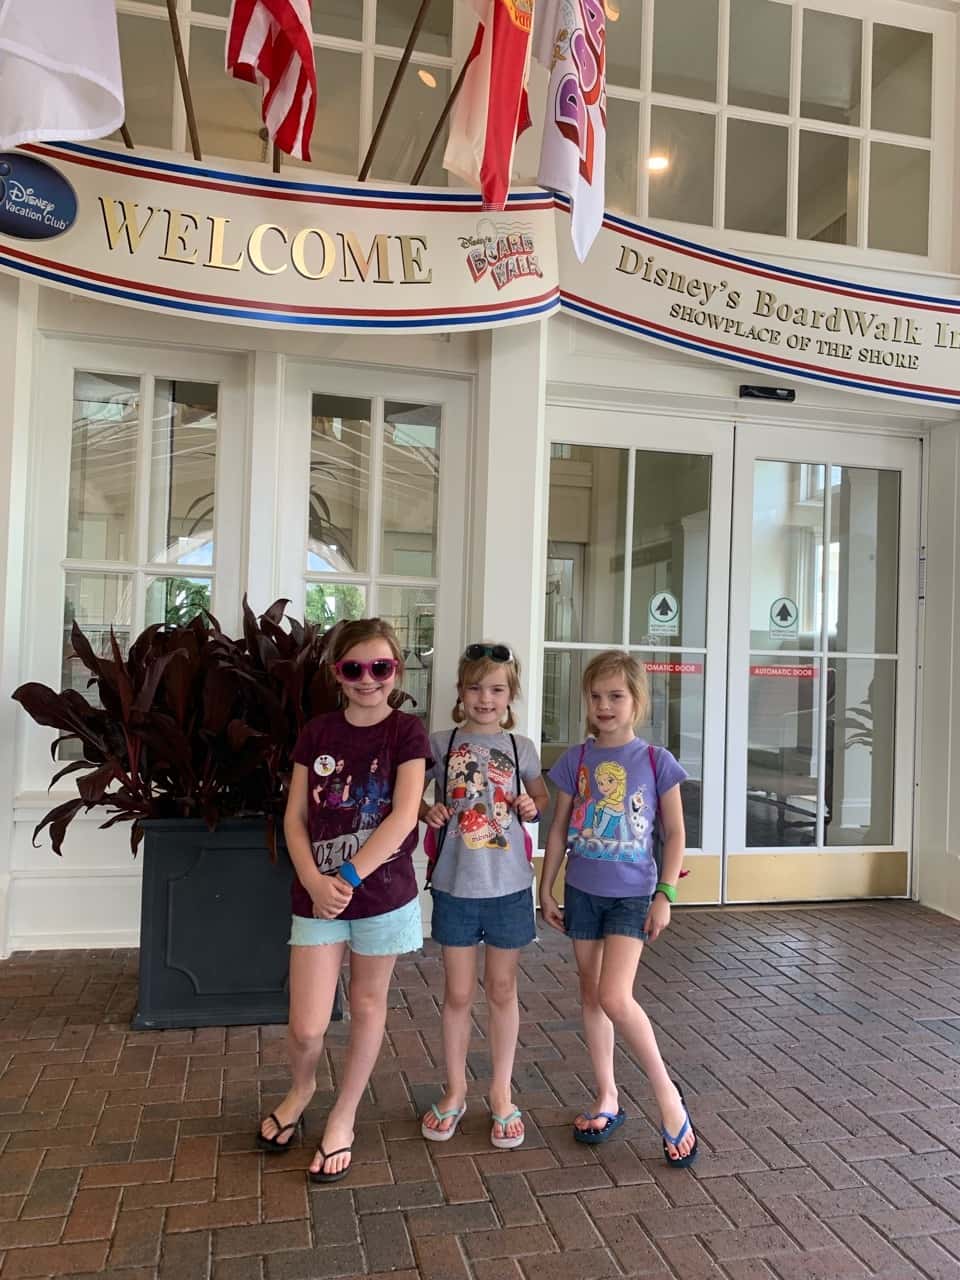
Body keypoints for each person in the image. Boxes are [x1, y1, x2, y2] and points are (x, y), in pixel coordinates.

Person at [256, 618, 431, 1185]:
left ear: (396, 670)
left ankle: (344, 1114)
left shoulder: (407, 732)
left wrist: (349, 875)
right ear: (337, 673)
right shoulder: (317, 733)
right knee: (306, 1028)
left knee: (367, 1004)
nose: (368, 679)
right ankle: (302, 1086)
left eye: (381, 667)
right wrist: (313, 878)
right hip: (317, 899)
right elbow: (295, 817)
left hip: (383, 895)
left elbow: (405, 814)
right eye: (354, 668)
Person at [539, 650, 698, 1168]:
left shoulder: (655, 761)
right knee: (591, 994)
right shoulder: (576, 760)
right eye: (595, 696)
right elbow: (559, 830)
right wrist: (546, 888)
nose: (604, 705)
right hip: (583, 892)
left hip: (632, 895)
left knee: (614, 995)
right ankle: (607, 1095)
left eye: (616, 696)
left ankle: (667, 1096)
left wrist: (665, 894)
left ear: (636, 702)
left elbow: (675, 834)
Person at [419, 642, 549, 1149]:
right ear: (460, 692)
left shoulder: (521, 748)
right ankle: (454, 1090)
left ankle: (500, 1091)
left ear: (510, 695)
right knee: (457, 994)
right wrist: (424, 811)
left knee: (501, 990)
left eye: (496, 689)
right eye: (475, 688)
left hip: (510, 888)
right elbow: (409, 795)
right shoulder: (440, 744)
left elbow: (540, 797)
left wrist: (531, 806)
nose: (485, 698)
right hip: (455, 887)